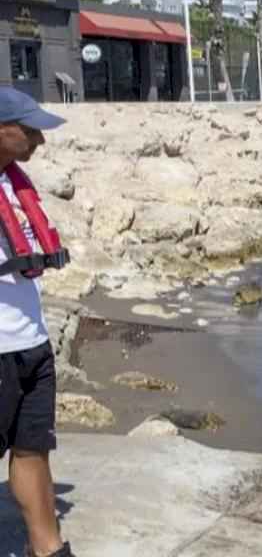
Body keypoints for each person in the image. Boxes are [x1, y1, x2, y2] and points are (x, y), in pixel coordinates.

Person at [0, 88, 74, 556]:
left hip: (31, 344)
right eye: (29, 131)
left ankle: (47, 550)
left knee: (32, 451)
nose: (39, 142)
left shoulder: (12, 182)